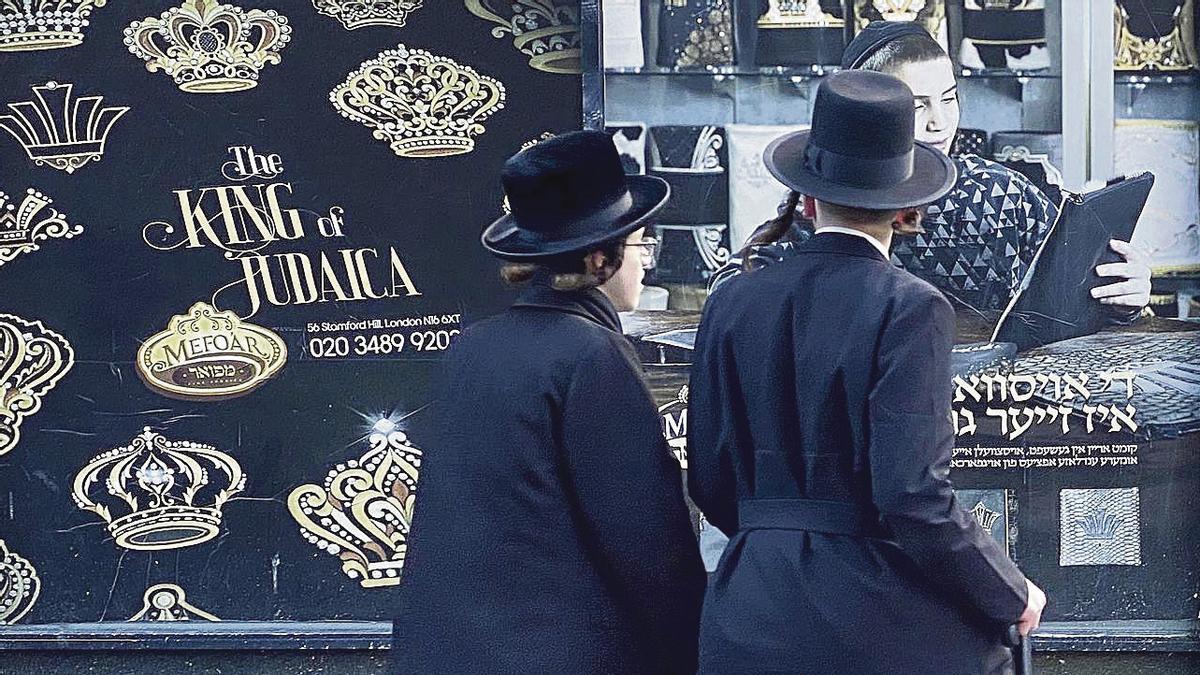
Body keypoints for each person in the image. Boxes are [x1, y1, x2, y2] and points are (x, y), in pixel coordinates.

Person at [688, 71, 1047, 674]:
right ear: (908, 208)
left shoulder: (732, 300)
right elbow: (913, 497)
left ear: (807, 199)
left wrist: (779, 533)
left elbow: (709, 479)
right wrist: (1011, 592)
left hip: (746, 615)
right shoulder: (912, 307)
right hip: (869, 624)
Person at [393, 131, 706, 674]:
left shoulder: (472, 348)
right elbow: (649, 546)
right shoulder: (592, 355)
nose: (646, 263)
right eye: (640, 244)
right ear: (600, 256)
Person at [708, 21, 1152, 318]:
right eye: (918, 106)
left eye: (949, 97)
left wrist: (1127, 295)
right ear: (867, 113)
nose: (940, 123)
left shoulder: (1000, 193)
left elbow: (1082, 292)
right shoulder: (829, 206)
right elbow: (728, 295)